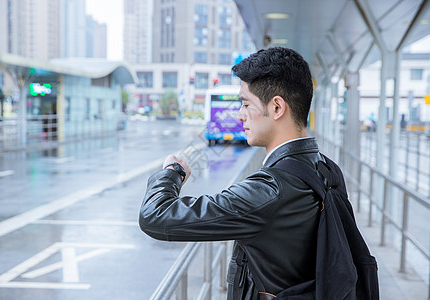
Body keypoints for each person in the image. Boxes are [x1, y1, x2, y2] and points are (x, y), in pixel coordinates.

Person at [139, 47, 334, 299]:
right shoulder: (324, 167)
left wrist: (171, 172)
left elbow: (156, 216)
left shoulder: (269, 191)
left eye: (245, 104)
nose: (239, 115)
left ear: (277, 108)